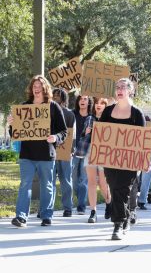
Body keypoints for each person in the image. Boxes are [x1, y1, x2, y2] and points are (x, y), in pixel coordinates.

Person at [8, 75, 67, 227]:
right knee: (24, 184)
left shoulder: (53, 107)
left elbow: (63, 131)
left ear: (45, 88)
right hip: (27, 154)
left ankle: (46, 216)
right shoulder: (24, 106)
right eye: (34, 86)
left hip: (46, 154)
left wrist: (55, 137)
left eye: (39, 86)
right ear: (31, 88)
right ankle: (21, 217)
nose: (36, 88)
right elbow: (14, 133)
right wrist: (11, 124)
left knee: (47, 185)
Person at [100, 78, 146, 240]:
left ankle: (117, 224)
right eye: (117, 87)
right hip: (110, 159)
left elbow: (142, 140)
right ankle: (126, 215)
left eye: (123, 87)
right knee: (114, 189)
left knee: (123, 190)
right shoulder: (107, 112)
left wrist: (144, 161)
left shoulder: (137, 113)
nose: (119, 90)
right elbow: (101, 135)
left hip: (130, 160)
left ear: (130, 91)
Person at [84, 97, 111, 223]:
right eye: (96, 103)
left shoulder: (111, 119)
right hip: (90, 151)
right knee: (91, 182)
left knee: (103, 183)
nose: (98, 105)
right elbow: (82, 137)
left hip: (105, 153)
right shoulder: (89, 118)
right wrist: (86, 132)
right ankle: (93, 212)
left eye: (102, 103)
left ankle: (109, 203)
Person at [52, 88, 76, 217]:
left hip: (65, 152)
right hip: (50, 151)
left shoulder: (69, 114)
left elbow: (73, 134)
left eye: (58, 95)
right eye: (54, 94)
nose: (56, 97)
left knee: (66, 180)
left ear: (64, 98)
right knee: (49, 181)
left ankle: (68, 208)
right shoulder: (47, 111)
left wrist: (71, 149)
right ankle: (47, 208)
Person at [72, 95, 93, 215]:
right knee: (74, 180)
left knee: (83, 180)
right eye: (81, 99)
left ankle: (81, 206)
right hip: (73, 151)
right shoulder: (72, 115)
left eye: (85, 99)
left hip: (86, 151)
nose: (82, 101)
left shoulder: (92, 118)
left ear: (89, 102)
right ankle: (80, 197)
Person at [137, 117, 151, 210]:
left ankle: (142, 201)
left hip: (150, 159)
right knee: (133, 181)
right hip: (136, 158)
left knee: (146, 182)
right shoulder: (136, 131)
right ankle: (132, 200)